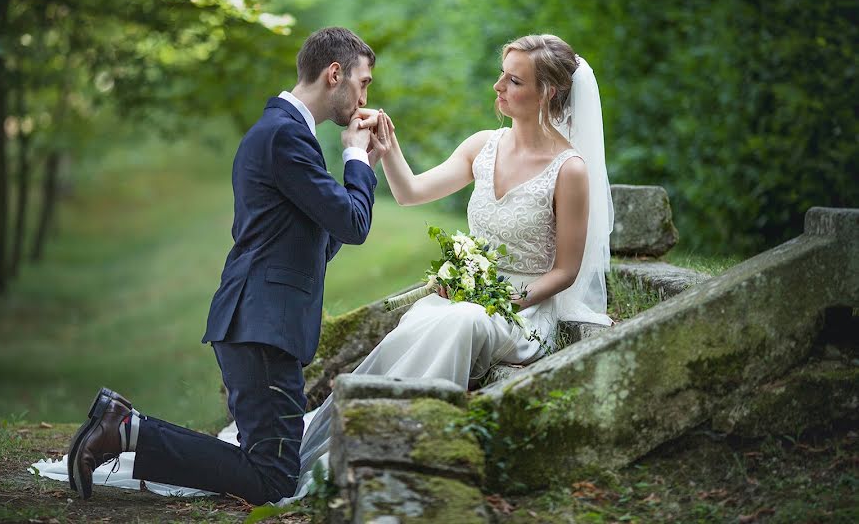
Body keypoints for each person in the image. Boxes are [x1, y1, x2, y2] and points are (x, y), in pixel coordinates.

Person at [64, 27, 392, 505]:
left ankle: (127, 429)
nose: (366, 96)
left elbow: (321, 241)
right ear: (334, 74)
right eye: (363, 82)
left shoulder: (284, 132)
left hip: (260, 323)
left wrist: (363, 170)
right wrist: (356, 159)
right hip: (261, 325)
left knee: (268, 467)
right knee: (272, 479)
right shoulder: (285, 137)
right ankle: (127, 430)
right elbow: (355, 224)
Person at [295, 33, 614, 495]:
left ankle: (404, 446)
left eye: (514, 79)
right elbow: (410, 193)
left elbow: (565, 272)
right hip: (469, 296)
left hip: (522, 312)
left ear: (548, 92)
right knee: (425, 317)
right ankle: (351, 433)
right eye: (502, 73)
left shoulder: (570, 170)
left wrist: (501, 298)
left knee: (461, 318)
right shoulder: (484, 145)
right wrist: (387, 145)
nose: (498, 86)